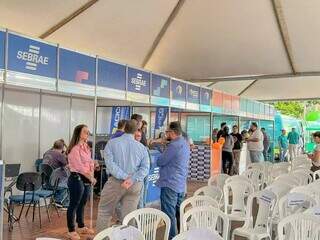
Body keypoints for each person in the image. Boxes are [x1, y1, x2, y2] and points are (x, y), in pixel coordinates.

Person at [96, 120, 150, 233]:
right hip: (134, 185)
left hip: (116, 182)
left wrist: (125, 177)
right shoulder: (142, 148)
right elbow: (145, 169)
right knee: (130, 216)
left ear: (124, 128)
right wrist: (132, 179)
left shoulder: (112, 143)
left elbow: (110, 165)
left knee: (105, 212)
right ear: (136, 131)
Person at [156, 121, 190, 240]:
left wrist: (161, 150)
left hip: (170, 183)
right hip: (180, 183)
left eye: (167, 132)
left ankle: (172, 237)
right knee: (178, 212)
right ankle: (181, 235)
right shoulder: (184, 142)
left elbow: (160, 161)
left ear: (172, 132)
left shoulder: (174, 145)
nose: (166, 134)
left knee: (169, 214)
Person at [66, 124, 96, 240]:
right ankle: (71, 230)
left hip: (86, 178)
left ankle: (81, 225)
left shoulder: (86, 147)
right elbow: (79, 167)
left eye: (88, 132)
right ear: (78, 133)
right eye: (85, 132)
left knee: (82, 203)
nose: (87, 134)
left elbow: (89, 162)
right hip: (76, 178)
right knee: (74, 204)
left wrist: (93, 170)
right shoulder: (74, 149)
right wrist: (90, 177)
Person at [43, 139, 69, 208]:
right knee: (70, 182)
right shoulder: (60, 155)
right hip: (55, 182)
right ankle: (62, 202)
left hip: (45, 182)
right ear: (62, 147)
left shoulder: (46, 153)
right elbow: (67, 166)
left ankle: (57, 199)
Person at [135, 130, 150, 209]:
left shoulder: (144, 148)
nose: (136, 138)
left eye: (138, 136)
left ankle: (141, 217)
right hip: (131, 177)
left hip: (140, 177)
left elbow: (147, 166)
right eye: (135, 135)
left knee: (141, 198)